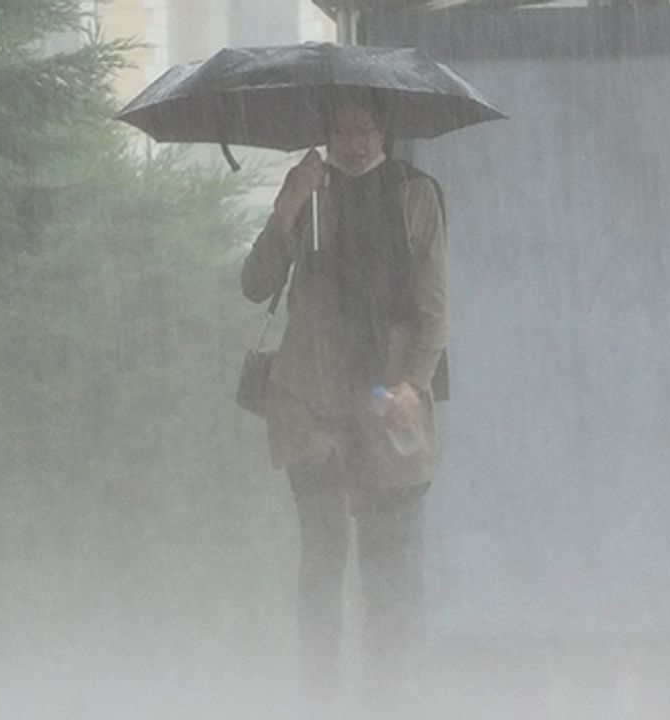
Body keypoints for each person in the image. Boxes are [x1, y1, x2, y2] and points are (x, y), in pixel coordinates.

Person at [240, 94, 447, 715]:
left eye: (364, 128)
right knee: (323, 559)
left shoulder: (414, 194)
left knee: (390, 570)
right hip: (310, 399)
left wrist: (412, 382)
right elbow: (255, 284)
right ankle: (321, 700)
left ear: (384, 130)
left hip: (388, 400)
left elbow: (433, 310)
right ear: (325, 134)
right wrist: (289, 203)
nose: (353, 143)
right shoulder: (311, 193)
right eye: (340, 129)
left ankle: (389, 700)